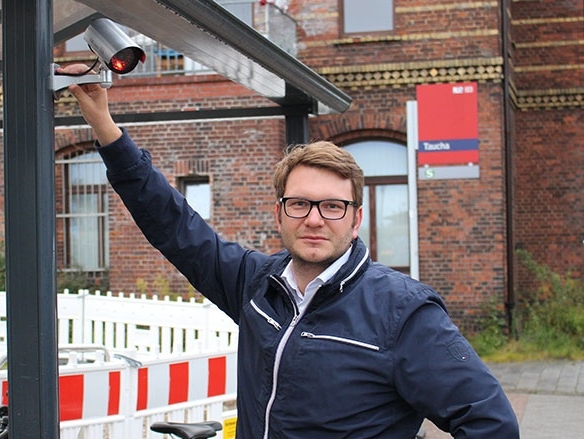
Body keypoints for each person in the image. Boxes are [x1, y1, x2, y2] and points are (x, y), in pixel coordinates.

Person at [61, 64, 519, 438]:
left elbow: (490, 423)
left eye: (333, 206)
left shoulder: (403, 313)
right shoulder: (256, 284)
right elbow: (173, 224)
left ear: (356, 218)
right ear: (279, 213)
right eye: (300, 203)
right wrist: (103, 123)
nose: (315, 219)